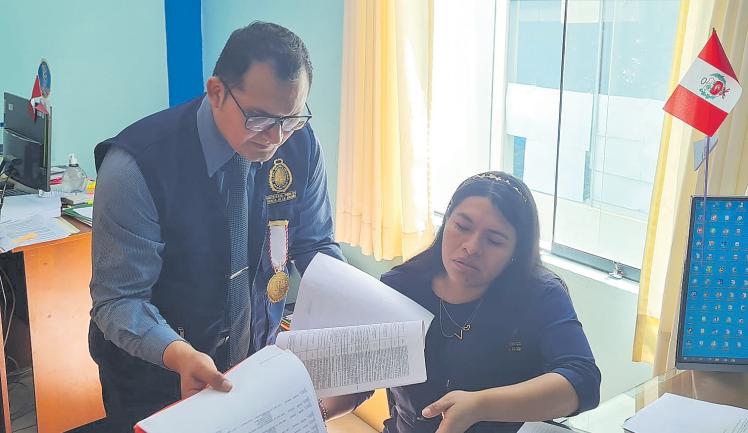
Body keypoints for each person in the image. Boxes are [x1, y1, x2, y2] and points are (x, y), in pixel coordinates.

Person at [88, 21, 343, 430]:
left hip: (255, 358)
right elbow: (119, 300)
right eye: (260, 118)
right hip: (158, 372)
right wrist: (179, 354)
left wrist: (355, 305)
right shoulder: (137, 167)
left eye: (291, 118)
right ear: (217, 91)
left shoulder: (300, 143)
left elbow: (315, 243)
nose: (276, 137)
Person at [322, 171, 601, 433]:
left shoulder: (540, 296)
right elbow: (364, 376)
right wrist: (316, 408)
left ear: (516, 250)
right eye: (462, 226)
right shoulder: (401, 286)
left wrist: (480, 406)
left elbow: (583, 380)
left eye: (494, 240)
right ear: (446, 223)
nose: (471, 247)